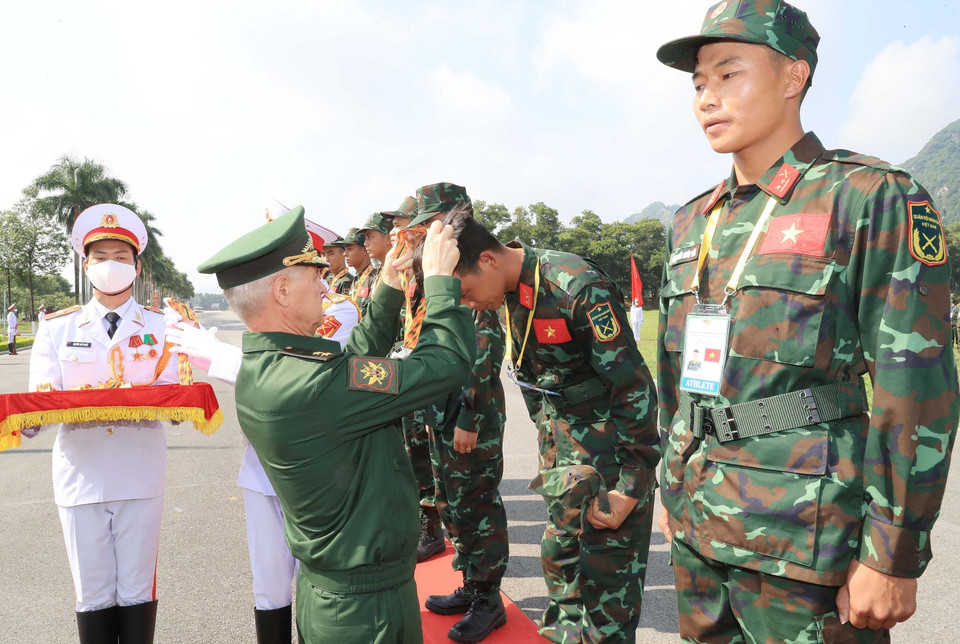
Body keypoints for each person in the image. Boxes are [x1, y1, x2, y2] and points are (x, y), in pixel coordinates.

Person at [655, 2, 960, 641]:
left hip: (806, 539)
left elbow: (915, 389)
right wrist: (671, 479)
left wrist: (893, 552)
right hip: (700, 525)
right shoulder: (693, 223)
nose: (706, 97)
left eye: (728, 73)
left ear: (793, 77)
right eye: (698, 83)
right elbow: (677, 379)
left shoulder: (868, 196)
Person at [196, 207, 475, 644]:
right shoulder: (310, 384)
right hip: (366, 614)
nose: (326, 286)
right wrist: (440, 280)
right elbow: (447, 364)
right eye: (315, 278)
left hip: (342, 597)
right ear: (283, 290)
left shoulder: (276, 365)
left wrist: (386, 286)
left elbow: (352, 361)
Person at [444, 206, 660, 643]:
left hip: (611, 458)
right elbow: (535, 378)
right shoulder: (505, 290)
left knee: (606, 590)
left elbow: (633, 386)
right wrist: (549, 443)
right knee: (562, 565)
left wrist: (631, 485)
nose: (467, 303)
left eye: (464, 291)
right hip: (563, 451)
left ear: (487, 260)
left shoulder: (574, 286)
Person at [166, 271, 361, 644]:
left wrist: (209, 350)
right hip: (261, 469)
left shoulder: (337, 311)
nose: (322, 286)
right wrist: (202, 339)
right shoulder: (265, 320)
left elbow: (300, 378)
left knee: (318, 583)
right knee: (269, 586)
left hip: (318, 476)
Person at [27, 203, 179, 643]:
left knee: (135, 591)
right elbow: (41, 397)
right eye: (100, 257)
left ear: (136, 265)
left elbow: (174, 396)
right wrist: (29, 419)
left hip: (139, 474)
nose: (110, 265)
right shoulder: (56, 328)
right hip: (81, 476)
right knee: (91, 593)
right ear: (85, 263)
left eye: (120, 256)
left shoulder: (162, 326)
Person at [407, 184, 511, 642]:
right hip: (439, 411)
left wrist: (469, 415)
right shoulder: (439, 269)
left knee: (478, 506)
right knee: (451, 504)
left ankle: (489, 600)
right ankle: (471, 586)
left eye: (432, 219)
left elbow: (485, 352)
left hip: (470, 416)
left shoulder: (470, 266)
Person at [342, 227, 378, 317]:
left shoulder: (375, 277)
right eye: (345, 249)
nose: (344, 254)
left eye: (349, 249)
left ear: (364, 250)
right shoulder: (357, 278)